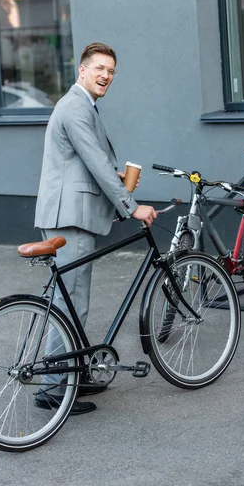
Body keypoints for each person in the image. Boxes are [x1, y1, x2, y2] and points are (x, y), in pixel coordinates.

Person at [34, 42, 157, 414]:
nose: (106, 75)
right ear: (82, 71)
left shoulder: (82, 106)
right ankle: (54, 389)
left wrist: (115, 178)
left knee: (69, 301)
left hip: (70, 212)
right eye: (100, 68)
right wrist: (131, 206)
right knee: (70, 306)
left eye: (112, 71)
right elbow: (96, 163)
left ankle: (75, 374)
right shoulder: (75, 106)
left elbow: (88, 163)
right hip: (69, 217)